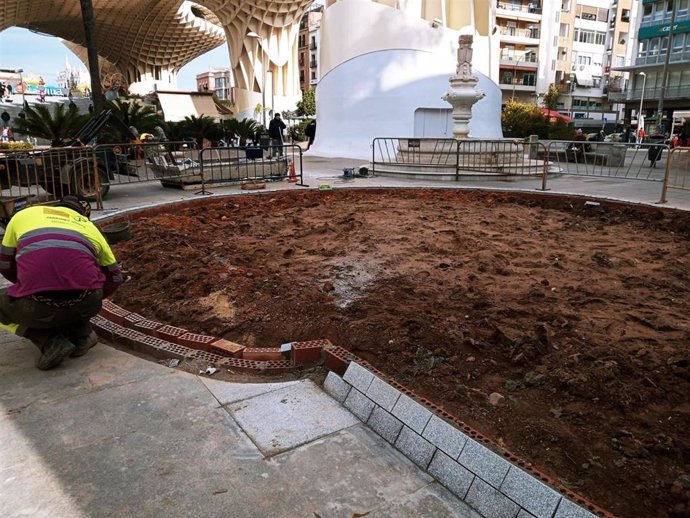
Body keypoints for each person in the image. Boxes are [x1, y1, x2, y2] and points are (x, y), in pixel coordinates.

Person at [0, 196, 123, 370]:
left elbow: (5, 265)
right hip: (88, 302)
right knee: (75, 290)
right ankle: (83, 334)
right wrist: (93, 295)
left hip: (38, 306)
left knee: (9, 304)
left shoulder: (22, 216)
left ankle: (49, 341)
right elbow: (116, 277)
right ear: (81, 215)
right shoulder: (89, 227)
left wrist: (29, 286)